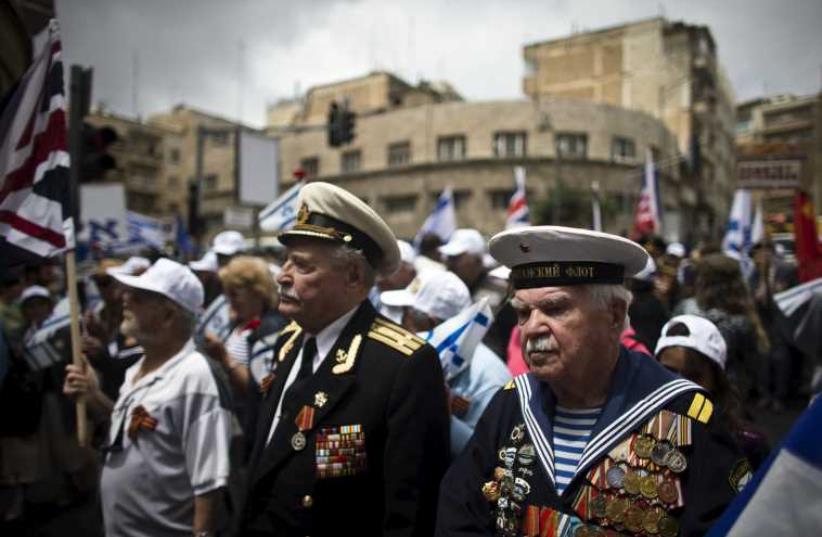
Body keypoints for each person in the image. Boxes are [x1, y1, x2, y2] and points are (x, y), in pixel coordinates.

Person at [437, 226, 750, 537]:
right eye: (522, 312)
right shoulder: (512, 403)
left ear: (614, 315)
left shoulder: (685, 413)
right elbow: (459, 514)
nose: (531, 328)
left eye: (554, 308)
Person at [239, 182, 450, 537]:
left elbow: (410, 511)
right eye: (285, 261)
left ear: (353, 276)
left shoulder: (403, 365)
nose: (282, 276)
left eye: (302, 266)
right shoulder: (289, 342)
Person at [64, 259, 233, 537]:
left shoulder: (195, 376)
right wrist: (93, 395)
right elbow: (134, 427)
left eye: (138, 297)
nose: (124, 299)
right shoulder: (137, 370)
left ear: (168, 315)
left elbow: (210, 484)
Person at [382, 270, 510, 456]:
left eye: (405, 315)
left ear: (429, 323)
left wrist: (442, 413)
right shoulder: (406, 362)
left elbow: (489, 454)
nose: (400, 325)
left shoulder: (490, 376)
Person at [655, 315, 770, 470]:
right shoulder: (637, 435)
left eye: (693, 376)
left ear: (716, 381)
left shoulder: (747, 444)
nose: (679, 387)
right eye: (669, 373)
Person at [440, 228, 515, 360]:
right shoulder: (452, 290)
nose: (450, 264)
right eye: (449, 258)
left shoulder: (498, 290)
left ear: (477, 260)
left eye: (456, 258)